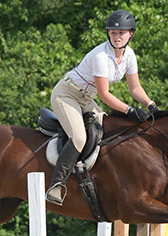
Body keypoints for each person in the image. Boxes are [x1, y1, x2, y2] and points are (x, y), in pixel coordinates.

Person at [46, 9, 158, 205]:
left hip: (86, 98)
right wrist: (130, 111)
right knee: (79, 137)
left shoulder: (129, 55)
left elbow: (135, 87)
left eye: (121, 33)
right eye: (113, 33)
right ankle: (57, 185)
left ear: (131, 33)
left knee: (107, 130)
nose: (116, 37)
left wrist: (150, 104)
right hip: (66, 95)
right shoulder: (101, 56)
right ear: (108, 33)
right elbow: (105, 95)